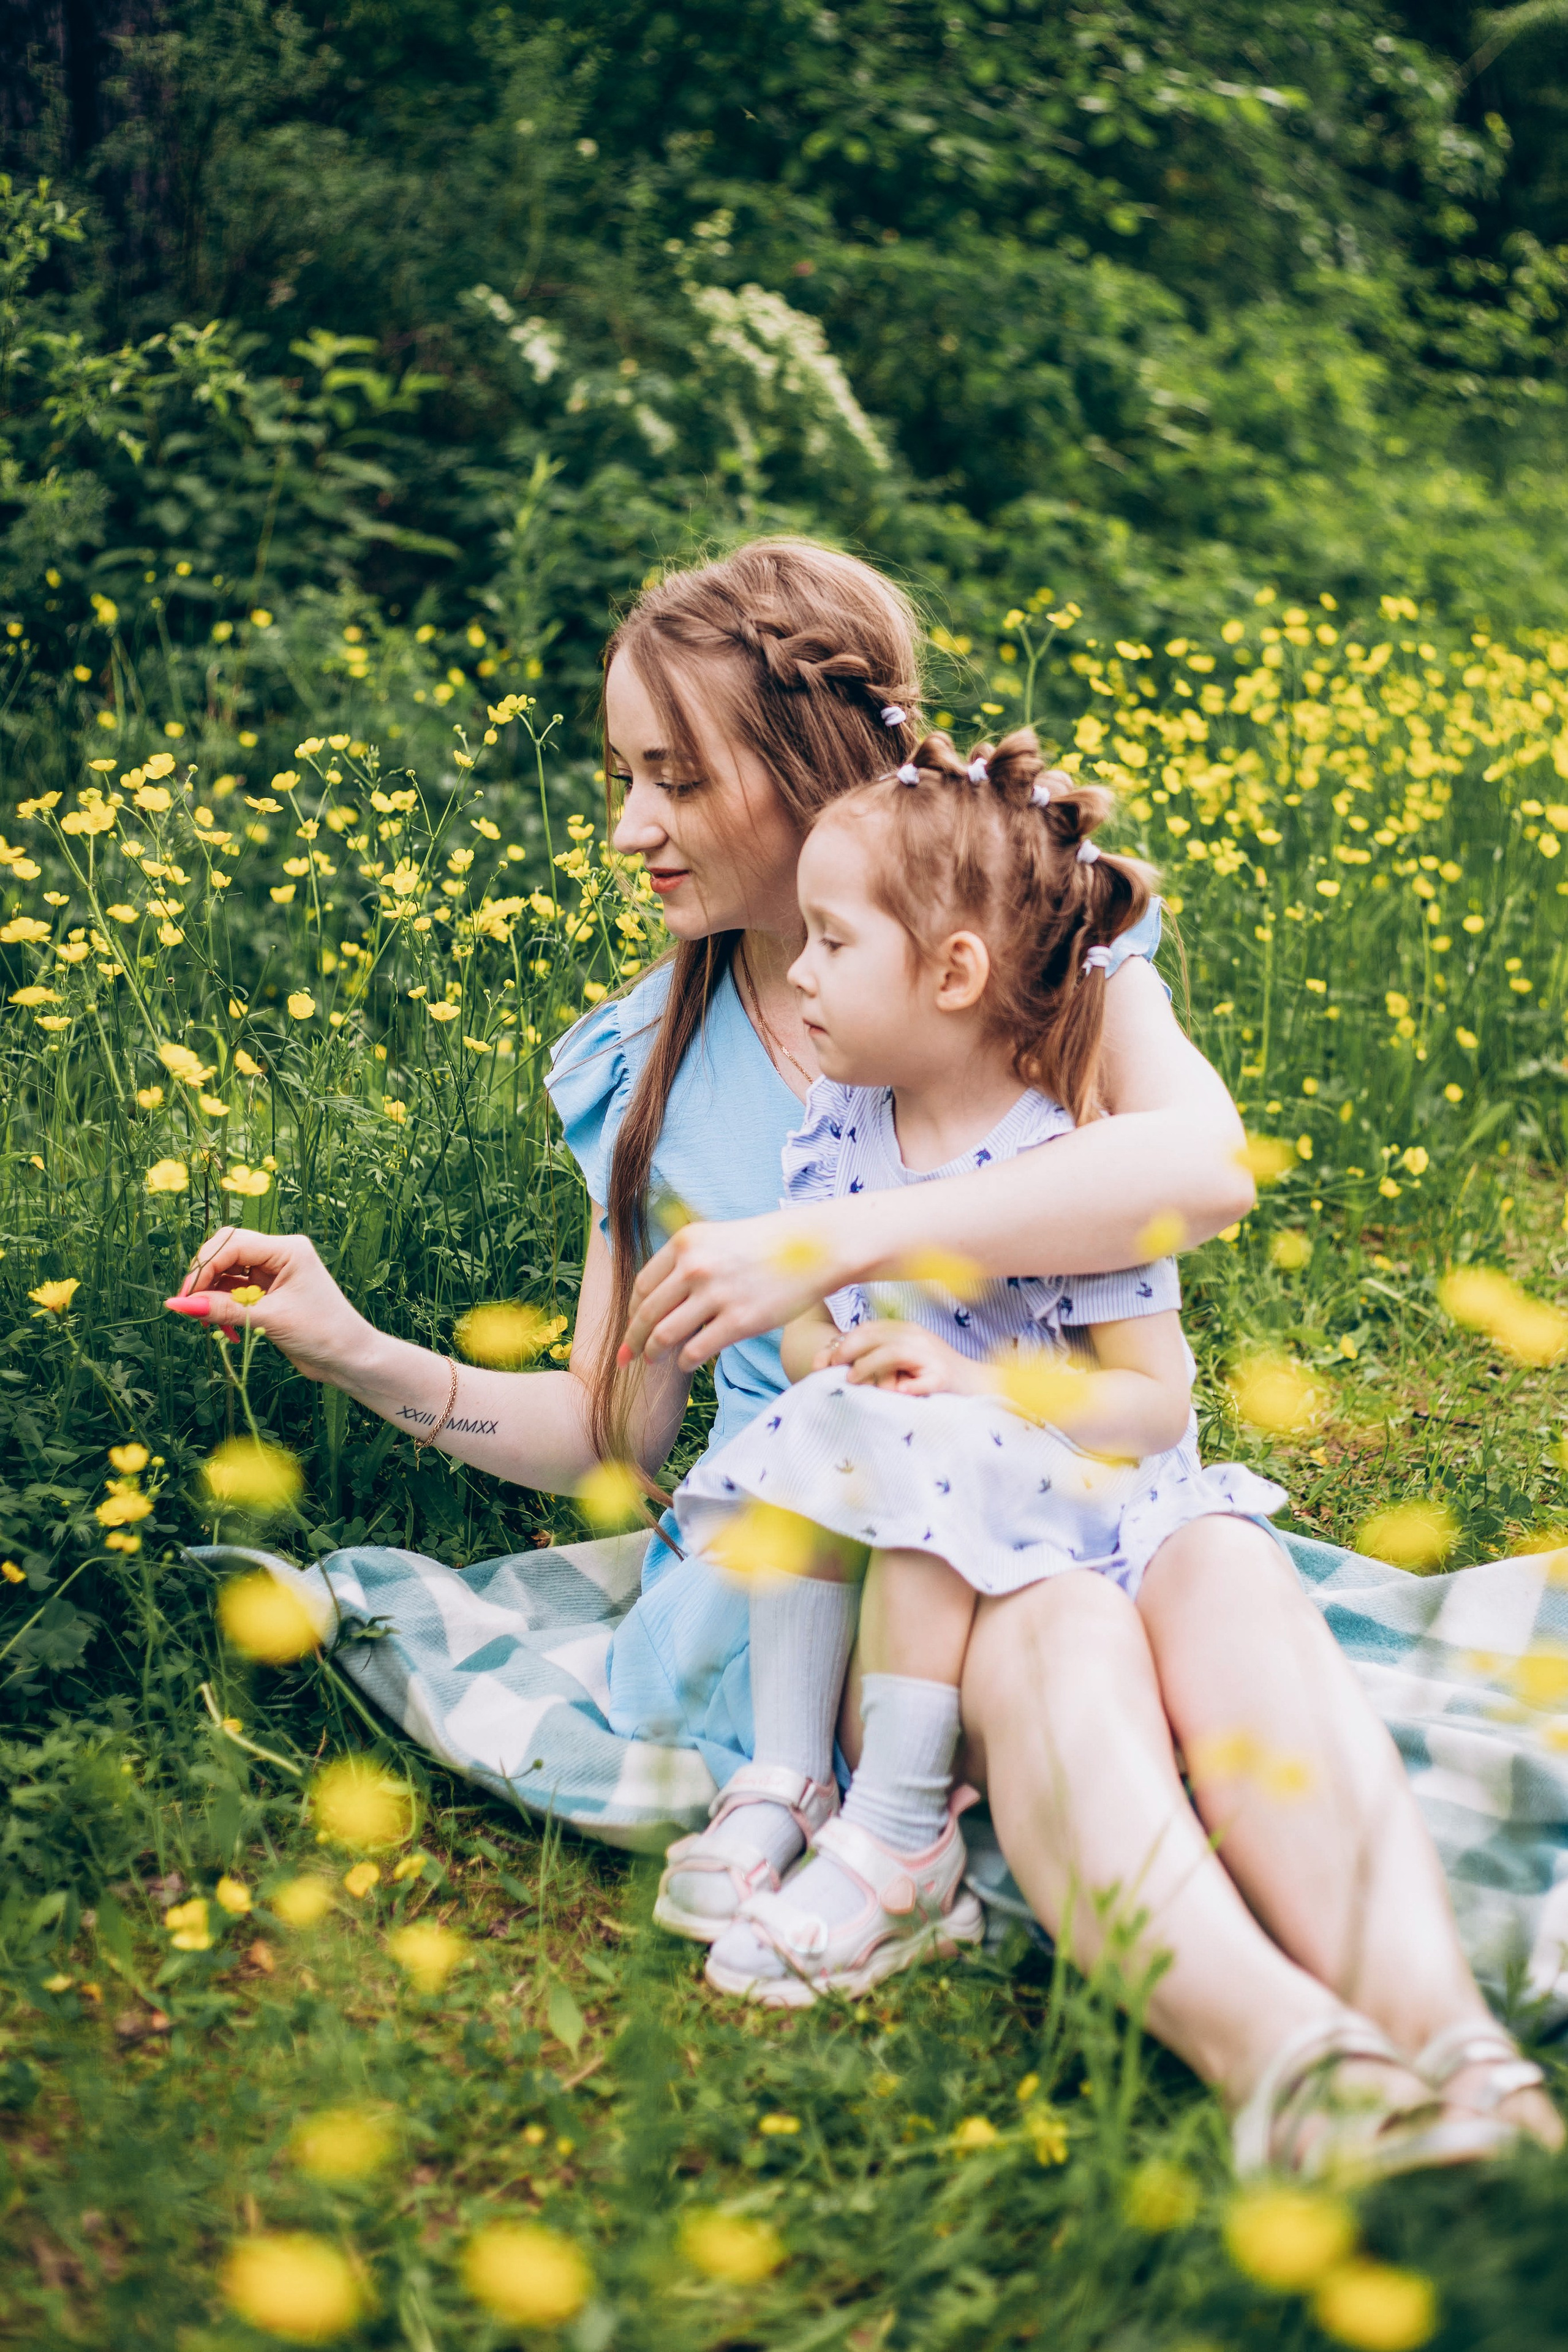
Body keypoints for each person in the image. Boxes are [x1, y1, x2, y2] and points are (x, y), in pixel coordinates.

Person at [165, 537, 1560, 2174]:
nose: (629, 829)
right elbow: (602, 1441)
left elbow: (1201, 1170)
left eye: (676, 779)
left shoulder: (1030, 954)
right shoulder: (646, 1069)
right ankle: (1297, 2071)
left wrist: (832, 1242)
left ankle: (1465, 2065)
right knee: (1053, 1634)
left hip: (1071, 1458)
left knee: (1223, 1572)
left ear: (819, 772)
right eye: (625, 776)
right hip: (864, 1562)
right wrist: (353, 1351)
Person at [661, 725, 1284, 2019]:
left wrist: (974, 1385)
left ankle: (901, 1830)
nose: (803, 976)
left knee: (911, 1446)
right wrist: (825, 1355)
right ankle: (789, 1774)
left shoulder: (1072, 1163)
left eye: (832, 944)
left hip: (1063, 1479)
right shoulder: (842, 1122)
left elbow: (1152, 1404)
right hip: (916, 1448)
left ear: (951, 971)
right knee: (829, 1422)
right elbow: (808, 1319)